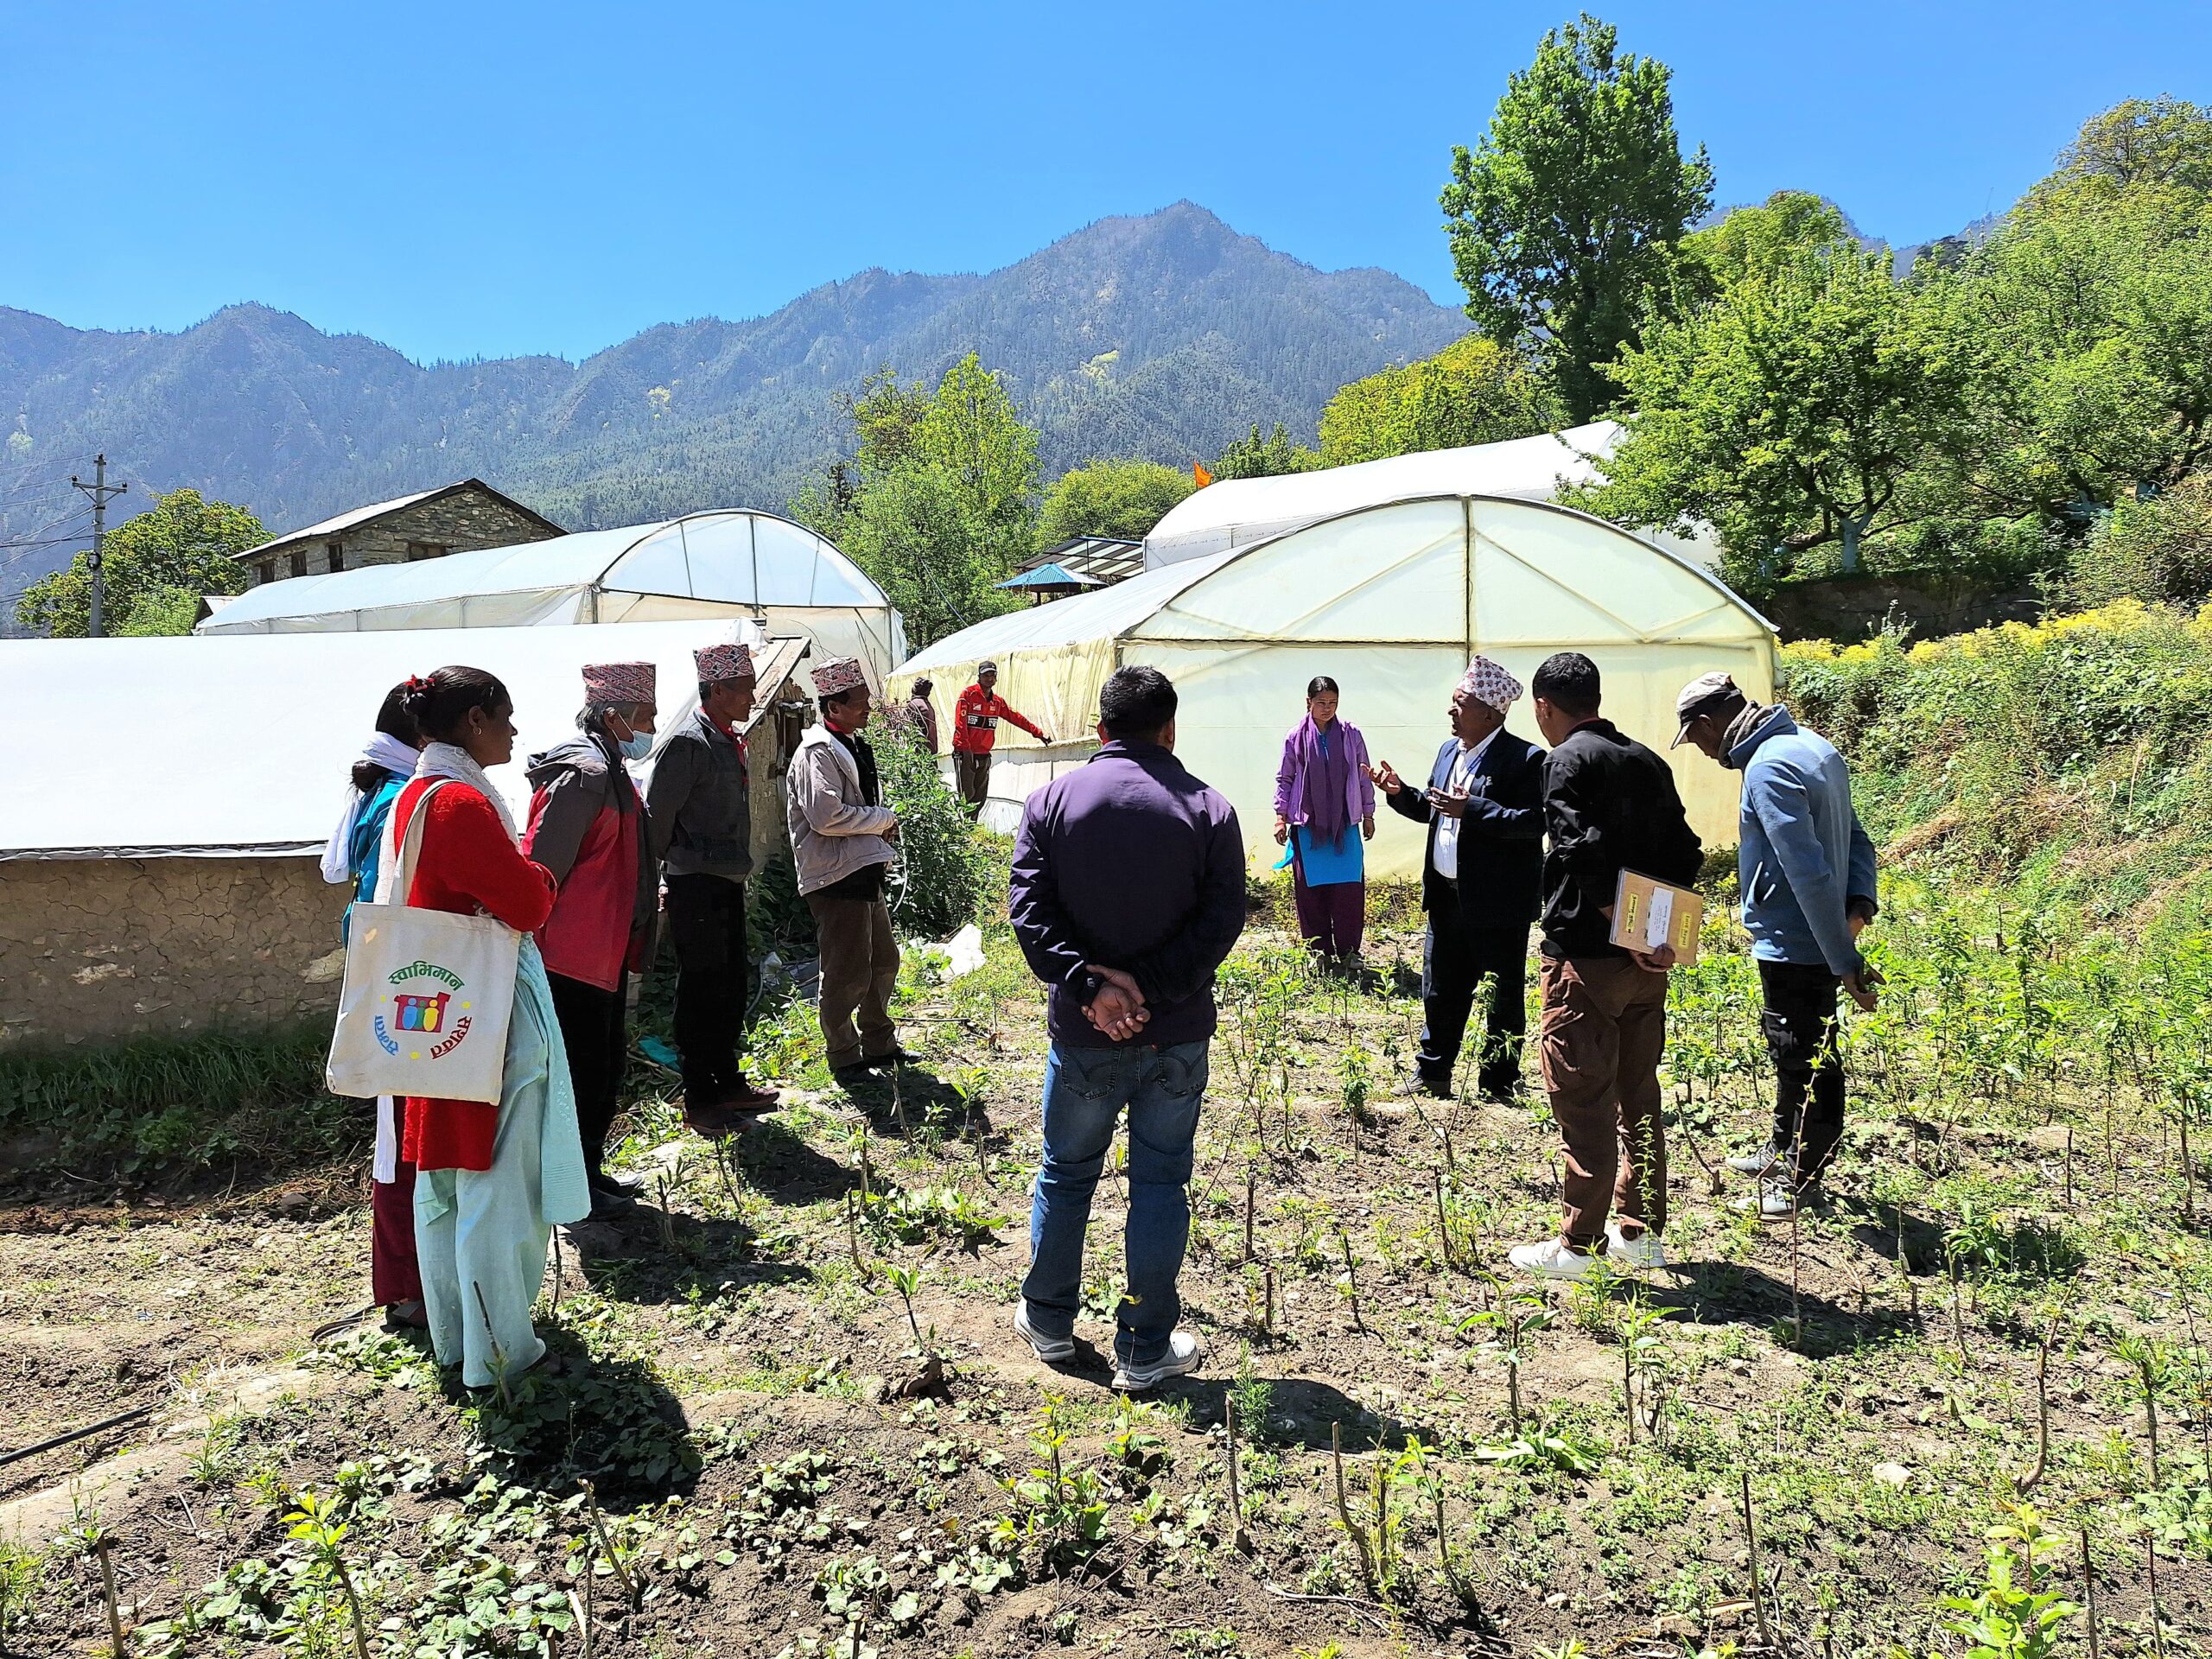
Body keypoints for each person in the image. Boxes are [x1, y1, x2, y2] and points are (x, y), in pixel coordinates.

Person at [1007, 664, 1246, 1393]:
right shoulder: (1208, 809)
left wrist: (1092, 987)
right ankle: (1144, 1347)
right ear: (1169, 729)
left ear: (1102, 728)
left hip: (1083, 1037)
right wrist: (1153, 989)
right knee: (1161, 1182)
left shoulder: (1050, 802)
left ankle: (1049, 1321)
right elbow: (1220, 923)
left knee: (1066, 1172)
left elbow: (1029, 911)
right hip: (1174, 1032)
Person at [390, 666, 589, 1388]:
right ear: (475, 720)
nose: (513, 731)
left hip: (435, 1013)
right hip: (484, 1012)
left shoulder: (414, 796)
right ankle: (503, 1350)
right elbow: (527, 905)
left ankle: (458, 1338)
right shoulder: (461, 806)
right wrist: (539, 878)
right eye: (505, 718)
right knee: (499, 1183)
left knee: (445, 1181)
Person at [1510, 652, 1702, 1281]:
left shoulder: (1566, 759)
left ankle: (1580, 1243)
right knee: (1638, 1095)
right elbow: (1686, 850)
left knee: (1583, 1098)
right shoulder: (1647, 759)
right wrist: (1658, 935)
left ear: (1544, 706)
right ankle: (1639, 1232)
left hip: (1588, 960)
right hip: (1648, 966)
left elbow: (1578, 851)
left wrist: (1621, 928)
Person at [1673, 671, 1880, 1220]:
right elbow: (1857, 835)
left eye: (1695, 738)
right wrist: (1859, 900)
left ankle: (1796, 1171)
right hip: (1821, 929)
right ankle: (1784, 1145)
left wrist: (1843, 957)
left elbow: (1806, 869)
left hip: (1797, 937)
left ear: (1706, 724)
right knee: (1807, 1043)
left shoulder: (1766, 769)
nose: (1702, 749)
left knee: (1798, 1049)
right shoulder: (1812, 747)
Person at [523, 662, 666, 1220]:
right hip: (570, 959)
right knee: (580, 1075)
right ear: (615, 718)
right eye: (646, 715)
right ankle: (571, 1192)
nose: (651, 725)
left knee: (603, 1071)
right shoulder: (583, 777)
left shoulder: (611, 773)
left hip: (602, 957)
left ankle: (588, 1173)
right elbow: (542, 866)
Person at [1370, 657, 1545, 1103]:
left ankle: (1499, 1080)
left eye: (1460, 703)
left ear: (1490, 712)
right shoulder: (1450, 752)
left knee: (1500, 994)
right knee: (1440, 988)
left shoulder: (1525, 760)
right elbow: (1434, 810)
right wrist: (1399, 793)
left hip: (1497, 903)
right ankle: (1433, 1072)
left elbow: (1532, 823)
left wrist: (1475, 810)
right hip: (1448, 897)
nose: (1451, 711)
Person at [321, 682, 426, 1329]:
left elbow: (338, 874)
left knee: (401, 1129)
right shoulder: (400, 799)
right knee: (402, 1134)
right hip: (404, 979)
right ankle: (408, 1282)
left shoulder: (375, 790)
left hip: (386, 971)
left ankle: (409, 1280)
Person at [646, 642, 781, 1124]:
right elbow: (657, 819)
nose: (752, 695)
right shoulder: (689, 743)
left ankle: (727, 1079)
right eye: (745, 687)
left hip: (721, 881)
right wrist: (672, 867)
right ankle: (701, 1093)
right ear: (718, 689)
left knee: (728, 984)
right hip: (696, 882)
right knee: (702, 987)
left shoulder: (725, 739)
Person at [787, 658, 905, 1085]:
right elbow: (825, 816)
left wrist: (878, 825)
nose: (868, 710)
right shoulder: (816, 752)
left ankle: (878, 1040)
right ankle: (843, 1052)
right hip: (835, 875)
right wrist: (881, 819)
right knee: (847, 970)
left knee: (883, 960)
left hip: (861, 869)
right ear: (833, 707)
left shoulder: (851, 744)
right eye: (858, 703)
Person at [1272, 676, 1376, 969]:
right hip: (1308, 826)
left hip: (1345, 824)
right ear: (1308, 703)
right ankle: (1320, 954)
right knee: (1311, 892)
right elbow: (1285, 779)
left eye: (1332, 703)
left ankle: (1349, 952)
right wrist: (1281, 817)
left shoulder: (1350, 734)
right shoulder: (1295, 737)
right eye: (1321, 703)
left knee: (1348, 891)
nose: (1327, 709)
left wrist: (1368, 814)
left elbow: (1363, 774)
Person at [951, 659, 1047, 813]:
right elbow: (960, 725)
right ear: (979, 677)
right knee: (966, 796)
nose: (989, 678)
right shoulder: (968, 695)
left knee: (979, 797)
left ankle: (971, 829)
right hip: (965, 753)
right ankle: (960, 831)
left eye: (992, 675)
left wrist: (1038, 733)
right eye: (986, 675)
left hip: (984, 754)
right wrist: (966, 751)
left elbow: (1016, 717)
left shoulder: (997, 702)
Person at [897, 677, 940, 754]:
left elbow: (907, 729)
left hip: (920, 753)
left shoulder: (914, 705)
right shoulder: (927, 705)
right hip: (931, 751)